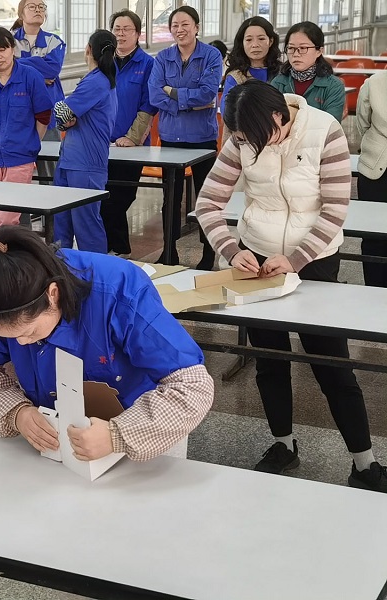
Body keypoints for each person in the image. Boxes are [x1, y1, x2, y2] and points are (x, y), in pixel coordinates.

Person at [196, 80, 387, 492]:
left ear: (278, 118)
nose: (248, 147)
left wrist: (297, 260)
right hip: (258, 259)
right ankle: (283, 445)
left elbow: (335, 209)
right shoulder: (243, 133)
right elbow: (208, 203)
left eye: (255, 138)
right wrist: (231, 249)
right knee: (270, 358)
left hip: (314, 261)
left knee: (332, 362)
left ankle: (365, 463)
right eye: (241, 140)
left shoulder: (324, 131)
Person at [0, 225, 213, 460]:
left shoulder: (119, 289)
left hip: (144, 434)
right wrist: (17, 412)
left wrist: (117, 435)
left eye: (30, 332)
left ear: (53, 295)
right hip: (59, 443)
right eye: (8, 338)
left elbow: (192, 386)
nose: (20, 344)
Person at [148, 6, 222, 269]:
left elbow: (208, 94)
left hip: (203, 138)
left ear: (197, 27)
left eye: (185, 24)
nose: (179, 30)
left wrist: (173, 93)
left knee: (206, 199)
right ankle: (169, 251)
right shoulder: (162, 57)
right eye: (175, 25)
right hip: (171, 137)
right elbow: (155, 95)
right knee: (170, 198)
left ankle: (209, 253)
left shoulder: (211, 55)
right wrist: (189, 103)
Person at [0, 27, 52, 257]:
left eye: (2, 49)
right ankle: (0, 259)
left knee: (6, 216)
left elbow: (43, 116)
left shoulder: (30, 76)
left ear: (13, 49)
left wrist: (30, 143)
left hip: (20, 158)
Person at [52, 29, 117, 254]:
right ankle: (61, 268)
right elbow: (65, 119)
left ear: (88, 50)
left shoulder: (97, 82)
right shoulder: (95, 79)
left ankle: (96, 270)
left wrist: (62, 112)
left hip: (86, 163)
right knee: (61, 221)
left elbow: (62, 113)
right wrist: (65, 118)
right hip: (71, 160)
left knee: (86, 224)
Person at [102, 10, 156, 257]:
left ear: (138, 34)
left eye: (126, 29)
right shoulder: (105, 61)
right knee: (104, 196)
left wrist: (133, 137)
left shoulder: (147, 64)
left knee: (122, 196)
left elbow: (149, 104)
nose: (121, 34)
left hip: (132, 145)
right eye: (117, 29)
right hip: (104, 142)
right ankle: (115, 248)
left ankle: (117, 247)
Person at [11, 0, 66, 183]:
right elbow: (3, 67)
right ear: (21, 14)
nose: (38, 10)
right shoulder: (8, 40)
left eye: (41, 7)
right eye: (32, 7)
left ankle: (51, 202)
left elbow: (52, 71)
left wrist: (18, 65)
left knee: (50, 169)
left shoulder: (54, 41)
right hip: (17, 113)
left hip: (47, 113)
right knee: (17, 169)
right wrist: (37, 69)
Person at [270, 22, 344, 122]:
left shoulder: (333, 86)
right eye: (291, 48)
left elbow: (330, 124)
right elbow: (271, 121)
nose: (296, 54)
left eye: (303, 48)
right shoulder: (278, 82)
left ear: (319, 51)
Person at [355, 70, 387, 288]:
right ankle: (374, 290)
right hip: (376, 168)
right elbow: (363, 124)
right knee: (374, 235)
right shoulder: (374, 83)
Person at [220, 16, 281, 119]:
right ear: (242, 43)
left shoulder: (282, 73)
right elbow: (228, 114)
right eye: (249, 40)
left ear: (270, 41)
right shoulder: (235, 77)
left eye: (261, 39)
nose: (255, 45)